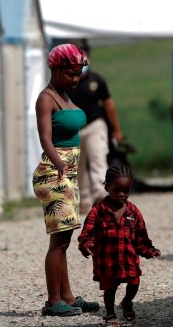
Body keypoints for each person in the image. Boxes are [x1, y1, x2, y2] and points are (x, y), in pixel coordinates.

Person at [32, 43, 100, 317]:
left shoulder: (66, 95)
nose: (76, 78)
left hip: (68, 174)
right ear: (56, 69)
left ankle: (67, 296)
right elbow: (45, 136)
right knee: (58, 242)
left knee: (65, 240)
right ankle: (53, 301)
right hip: (54, 173)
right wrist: (58, 161)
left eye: (79, 73)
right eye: (71, 73)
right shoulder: (46, 99)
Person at [78, 163, 161, 327]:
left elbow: (141, 237)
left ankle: (127, 302)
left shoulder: (133, 212)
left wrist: (149, 250)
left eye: (126, 190)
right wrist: (86, 244)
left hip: (129, 259)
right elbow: (87, 232)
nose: (122, 194)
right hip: (108, 261)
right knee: (110, 289)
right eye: (117, 190)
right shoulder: (98, 210)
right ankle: (110, 313)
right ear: (107, 187)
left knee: (135, 282)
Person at [67, 40, 125, 214]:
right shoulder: (64, 82)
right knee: (78, 167)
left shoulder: (96, 80)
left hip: (95, 124)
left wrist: (116, 130)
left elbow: (108, 104)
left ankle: (101, 196)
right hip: (73, 129)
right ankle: (83, 202)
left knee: (98, 159)